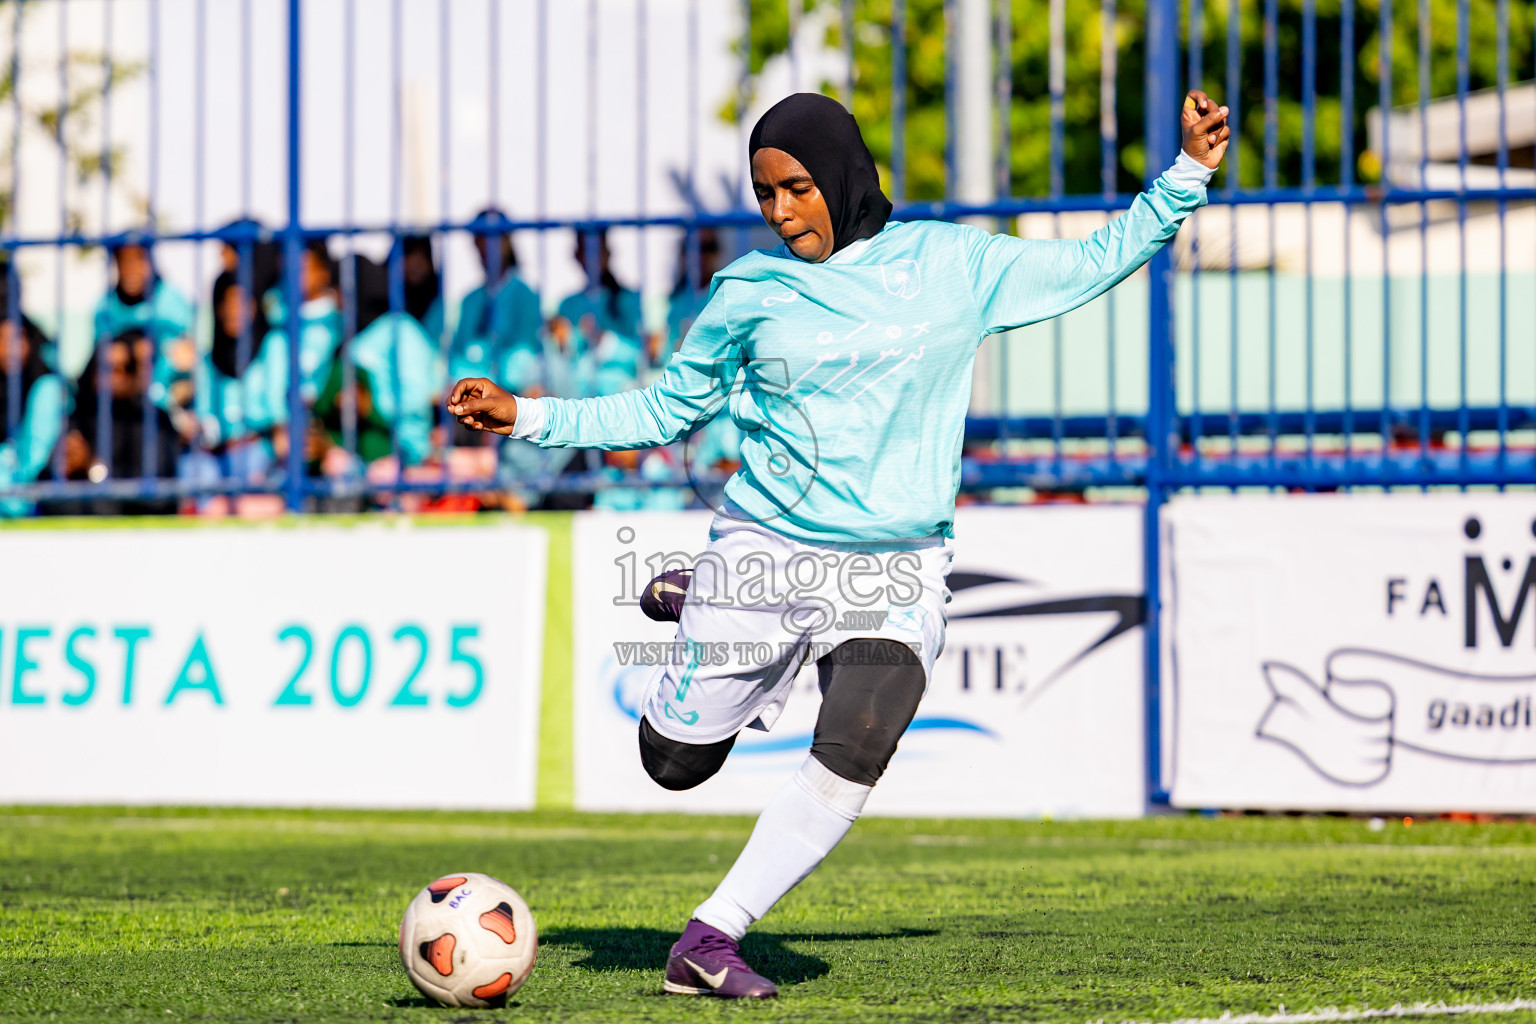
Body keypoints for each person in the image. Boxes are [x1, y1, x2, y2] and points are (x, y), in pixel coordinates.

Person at [448, 90, 1231, 998]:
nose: (782, 213)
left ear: (845, 176)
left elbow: (1091, 263)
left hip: (897, 561)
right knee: (674, 764)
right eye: (766, 194)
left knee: (864, 729)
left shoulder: (953, 262)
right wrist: (527, 415)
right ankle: (695, 592)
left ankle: (711, 938)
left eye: (798, 188)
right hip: (766, 550)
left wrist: (1187, 175)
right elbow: (663, 409)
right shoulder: (748, 291)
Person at [61, 329, 184, 516]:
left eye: (123, 369)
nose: (114, 378)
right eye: (104, 368)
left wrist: (92, 467)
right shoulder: (77, 417)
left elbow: (156, 496)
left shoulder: (153, 421)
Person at [92, 237, 198, 419]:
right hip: (119, 408)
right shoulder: (105, 308)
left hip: (168, 407)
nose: (131, 269)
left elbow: (187, 359)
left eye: (138, 260)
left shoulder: (171, 300)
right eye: (124, 261)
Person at [448, 209, 542, 396]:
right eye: (481, 239)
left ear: (507, 242)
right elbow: (457, 357)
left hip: (513, 396)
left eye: (494, 239)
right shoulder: (470, 301)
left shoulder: (525, 295)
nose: (486, 246)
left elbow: (525, 357)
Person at [0, 307, 68, 517]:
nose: (10, 348)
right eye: (2, 339)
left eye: (18, 338)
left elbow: (33, 461)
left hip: (29, 499)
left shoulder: (47, 388)